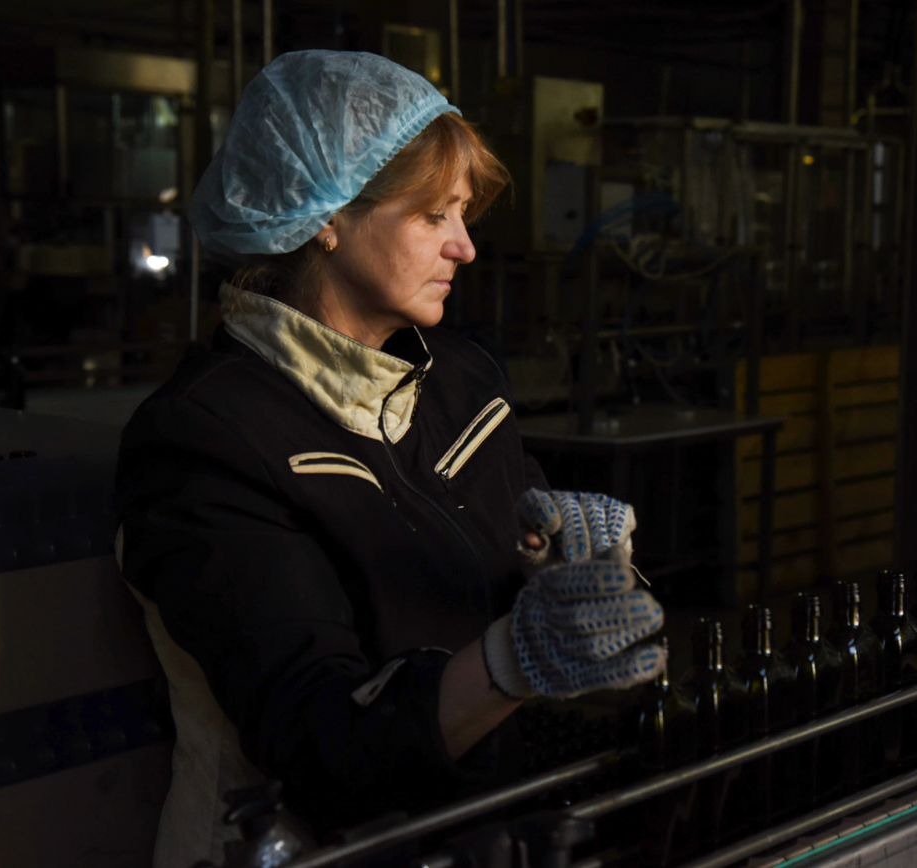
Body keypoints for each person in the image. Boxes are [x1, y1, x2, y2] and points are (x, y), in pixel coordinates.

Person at [115, 50, 665, 868]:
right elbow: (318, 744)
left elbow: (532, 578)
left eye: (464, 215)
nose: (466, 248)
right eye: (433, 216)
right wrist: (517, 657)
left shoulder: (460, 381)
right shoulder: (206, 440)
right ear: (327, 216)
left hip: (484, 832)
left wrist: (577, 572)